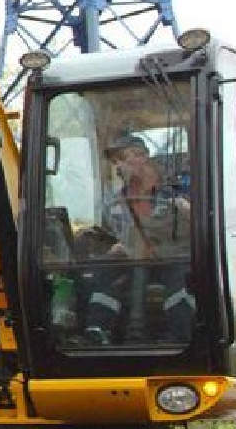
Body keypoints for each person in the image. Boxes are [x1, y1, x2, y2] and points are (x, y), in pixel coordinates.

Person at [80, 132, 196, 345]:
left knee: (181, 275)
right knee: (101, 269)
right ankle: (97, 329)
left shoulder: (172, 196)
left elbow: (190, 230)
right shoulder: (112, 204)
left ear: (145, 158)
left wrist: (187, 212)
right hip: (130, 261)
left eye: (133, 155)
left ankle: (180, 335)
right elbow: (106, 235)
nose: (127, 163)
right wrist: (112, 247)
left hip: (167, 259)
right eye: (122, 159)